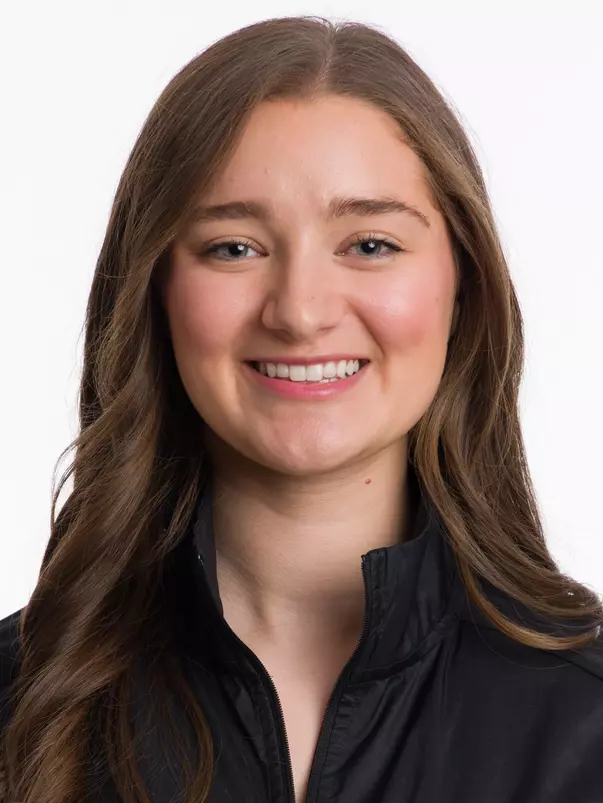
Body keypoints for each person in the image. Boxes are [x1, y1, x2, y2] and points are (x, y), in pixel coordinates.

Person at [1, 14, 602, 803]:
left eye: (370, 244)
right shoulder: (21, 700)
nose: (299, 310)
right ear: (155, 292)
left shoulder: (586, 716)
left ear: (463, 287)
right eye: (234, 247)